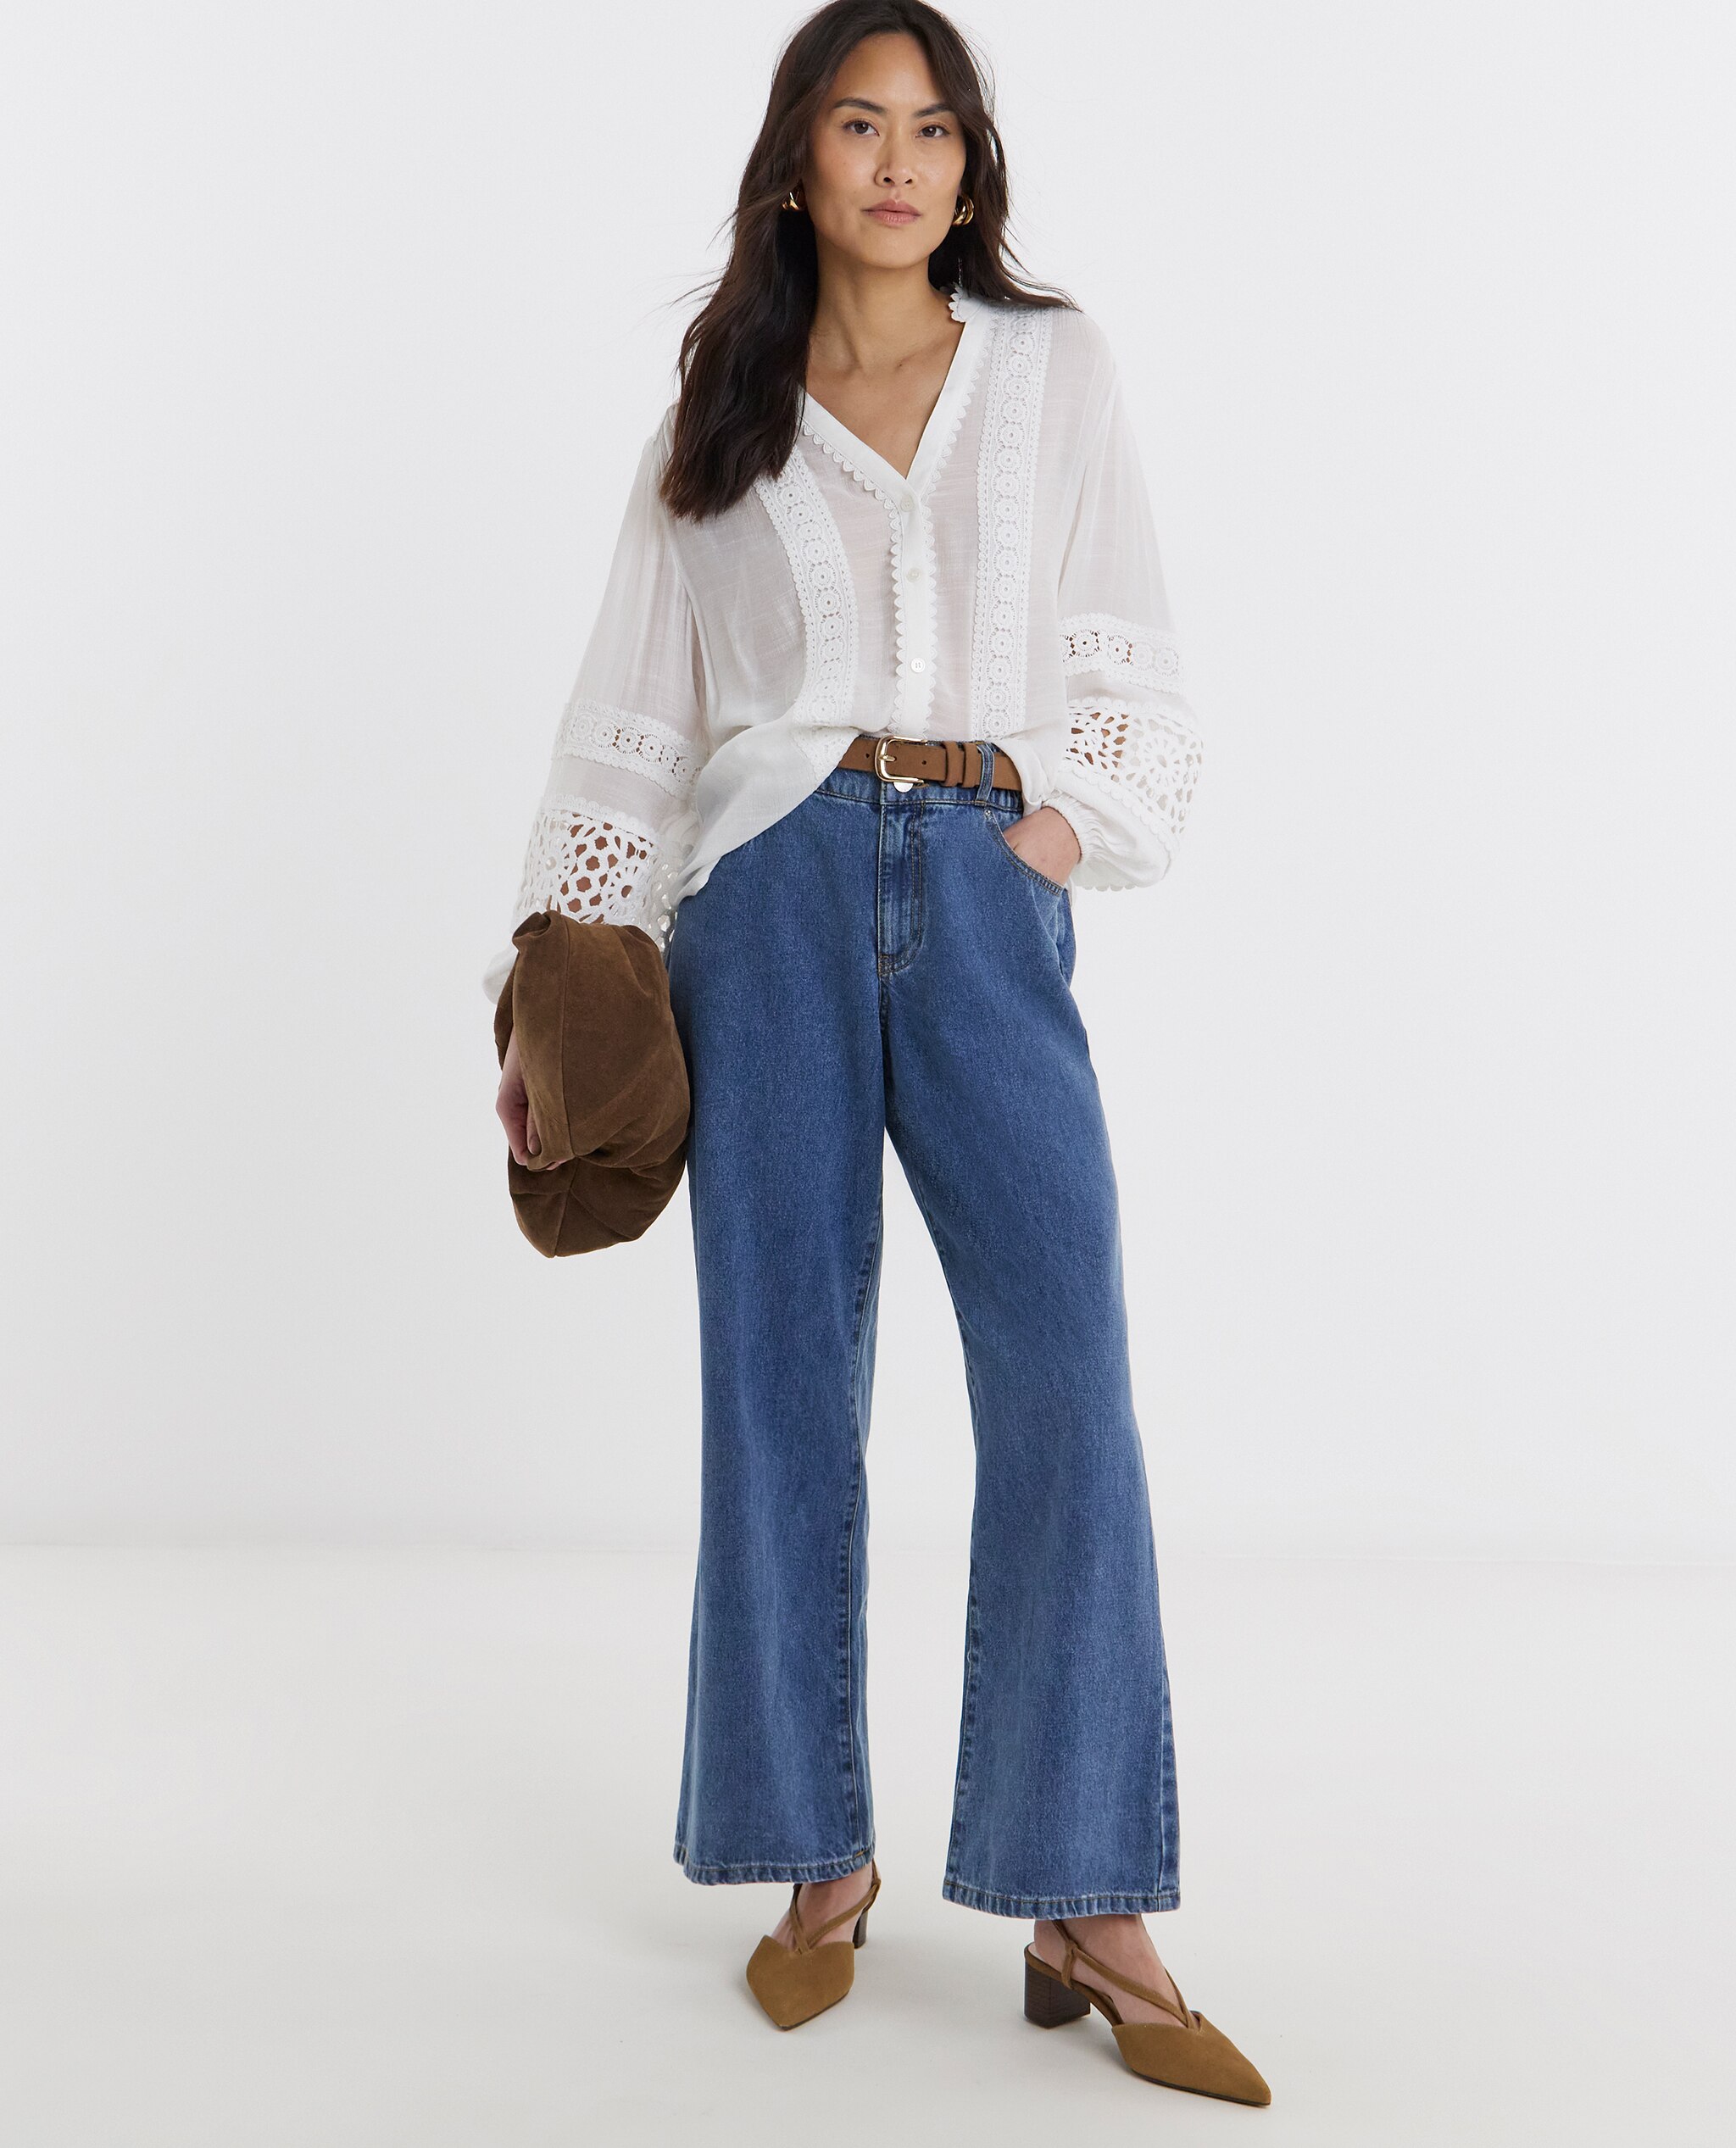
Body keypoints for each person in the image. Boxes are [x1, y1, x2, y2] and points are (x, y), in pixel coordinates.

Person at [487, 0, 1266, 2105]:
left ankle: (1084, 1897)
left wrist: (1049, 827)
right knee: (781, 1380)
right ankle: (814, 1862)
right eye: (860, 123)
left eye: (934, 126)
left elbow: (1137, 657)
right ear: (800, 159)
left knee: (1066, 1376)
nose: (901, 161)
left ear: (968, 164)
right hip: (769, 906)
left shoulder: (1052, 369)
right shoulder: (723, 409)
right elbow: (629, 725)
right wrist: (561, 981)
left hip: (984, 876)